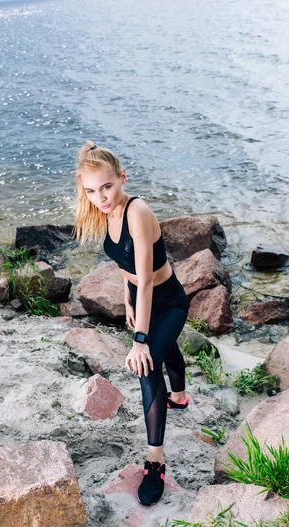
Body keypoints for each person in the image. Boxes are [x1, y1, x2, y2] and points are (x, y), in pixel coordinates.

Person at [74, 141, 189, 506]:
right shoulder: (104, 213)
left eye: (106, 187)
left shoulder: (137, 210)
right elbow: (128, 266)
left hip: (167, 300)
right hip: (141, 295)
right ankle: (180, 397)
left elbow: (149, 276)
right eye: (91, 191)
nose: (100, 197)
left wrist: (139, 338)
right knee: (164, 347)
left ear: (122, 178)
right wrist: (127, 297)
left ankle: (155, 460)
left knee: (148, 362)